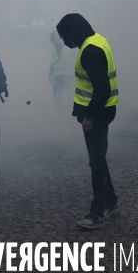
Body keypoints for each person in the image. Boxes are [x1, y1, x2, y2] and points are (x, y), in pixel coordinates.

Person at [56, 13, 119, 230]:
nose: (65, 41)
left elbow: (102, 89)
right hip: (101, 111)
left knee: (96, 163)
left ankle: (97, 213)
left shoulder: (90, 51)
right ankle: (111, 202)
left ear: (73, 32)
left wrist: (89, 116)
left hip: (97, 115)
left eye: (64, 36)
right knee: (98, 159)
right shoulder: (97, 40)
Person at [49, 31, 74, 111]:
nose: (51, 40)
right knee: (57, 99)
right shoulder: (53, 49)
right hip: (58, 78)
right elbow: (53, 62)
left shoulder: (69, 47)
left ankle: (71, 117)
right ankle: (63, 115)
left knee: (71, 99)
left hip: (70, 77)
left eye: (52, 38)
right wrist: (50, 74)